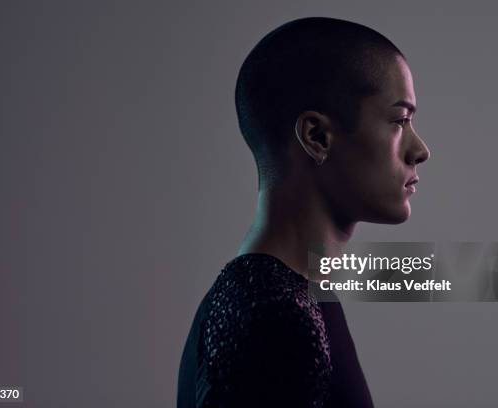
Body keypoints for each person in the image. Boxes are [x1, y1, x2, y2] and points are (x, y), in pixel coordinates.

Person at [177, 17, 430, 407]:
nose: (420, 150)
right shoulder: (275, 317)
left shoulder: (292, 289)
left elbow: (462, 275)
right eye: (400, 120)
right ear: (316, 137)